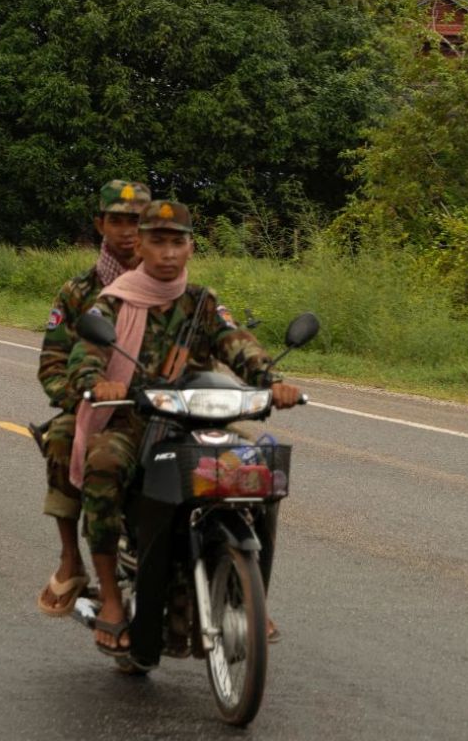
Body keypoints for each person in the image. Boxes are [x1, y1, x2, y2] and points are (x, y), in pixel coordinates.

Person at [68, 200, 300, 655]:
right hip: (135, 421)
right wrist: (98, 382)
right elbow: (84, 359)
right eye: (158, 241)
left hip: (198, 421)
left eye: (178, 242)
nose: (168, 253)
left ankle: (249, 595)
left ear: (191, 247)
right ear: (143, 245)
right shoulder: (114, 300)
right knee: (104, 464)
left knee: (259, 470)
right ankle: (112, 599)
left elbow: (239, 346)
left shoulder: (203, 302)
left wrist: (272, 381)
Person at [33, 179, 150, 616]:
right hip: (98, 409)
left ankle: (242, 589)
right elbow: (52, 363)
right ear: (100, 223)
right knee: (63, 437)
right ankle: (70, 559)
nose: (128, 231)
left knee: (242, 458)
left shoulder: (171, 286)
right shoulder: (79, 293)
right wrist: (83, 399)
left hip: (162, 408)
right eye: (118, 221)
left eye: (137, 221)